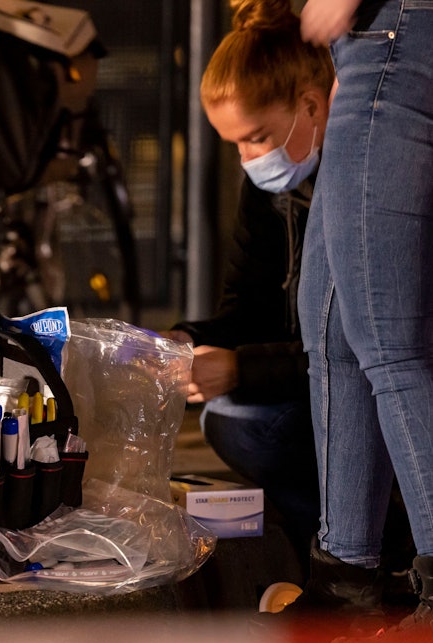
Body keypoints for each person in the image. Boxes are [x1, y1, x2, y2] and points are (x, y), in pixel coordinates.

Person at [164, 0, 333, 576]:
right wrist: (181, 340)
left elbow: (360, 353)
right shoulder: (268, 189)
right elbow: (246, 308)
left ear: (311, 104)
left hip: (353, 391)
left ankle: (350, 546)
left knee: (237, 421)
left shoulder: (364, 189)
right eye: (234, 144)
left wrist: (240, 371)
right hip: (305, 382)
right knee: (231, 415)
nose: (249, 160)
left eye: (257, 137)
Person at [294, 0, 433, 643]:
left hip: (393, 33)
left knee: (387, 337)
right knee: (329, 328)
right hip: (366, 45)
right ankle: (343, 588)